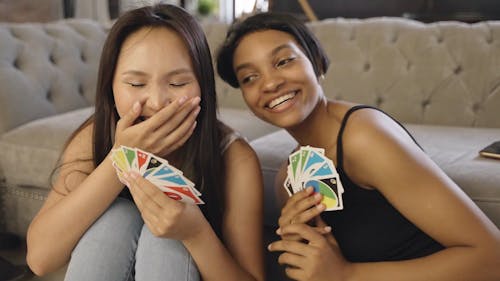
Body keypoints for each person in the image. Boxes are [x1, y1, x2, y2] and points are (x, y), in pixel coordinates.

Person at [216, 12, 500, 281]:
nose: (270, 83)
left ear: (316, 62)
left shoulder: (363, 137)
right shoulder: (288, 177)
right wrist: (304, 249)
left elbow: (491, 258)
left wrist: (347, 274)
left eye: (283, 61)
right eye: (249, 78)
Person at [26, 4, 264, 281]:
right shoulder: (95, 136)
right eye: (136, 85)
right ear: (110, 88)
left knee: (163, 233)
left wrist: (195, 233)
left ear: (203, 85)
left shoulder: (235, 158)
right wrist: (119, 159)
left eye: (177, 83)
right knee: (116, 216)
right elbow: (40, 259)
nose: (157, 103)